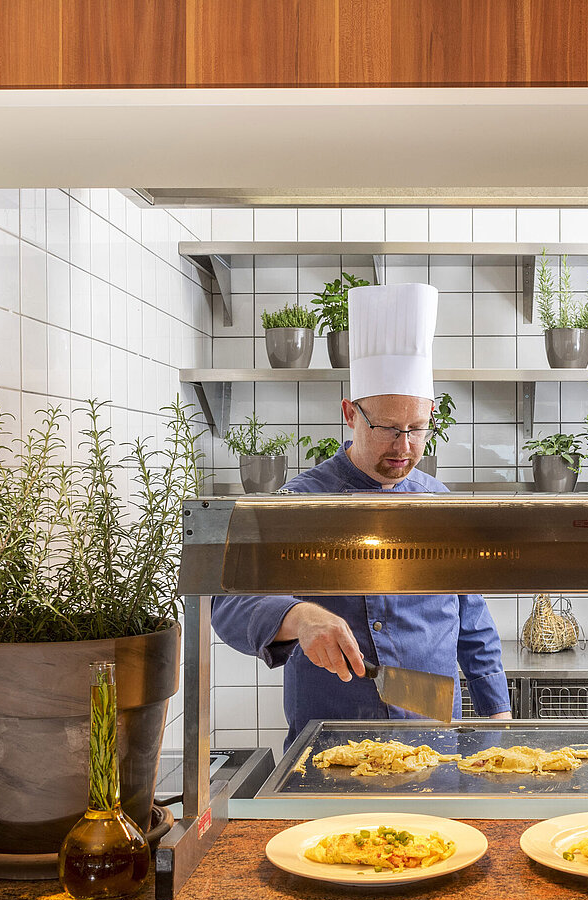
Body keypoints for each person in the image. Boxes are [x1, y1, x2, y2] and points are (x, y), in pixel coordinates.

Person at [211, 282, 512, 747]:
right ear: (349, 413)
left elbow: (471, 619)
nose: (405, 447)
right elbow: (228, 603)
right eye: (389, 428)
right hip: (332, 744)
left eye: (417, 429)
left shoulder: (439, 503)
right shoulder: (300, 502)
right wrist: (300, 616)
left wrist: (498, 711)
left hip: (432, 739)